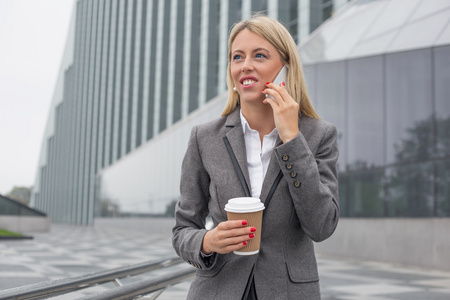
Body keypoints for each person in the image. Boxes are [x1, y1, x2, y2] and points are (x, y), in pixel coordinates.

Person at [172, 14, 339, 300]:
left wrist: (291, 140)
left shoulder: (318, 135)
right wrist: (208, 241)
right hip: (217, 291)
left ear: (285, 67)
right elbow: (182, 230)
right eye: (237, 57)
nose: (245, 65)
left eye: (259, 55)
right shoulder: (204, 138)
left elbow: (321, 225)